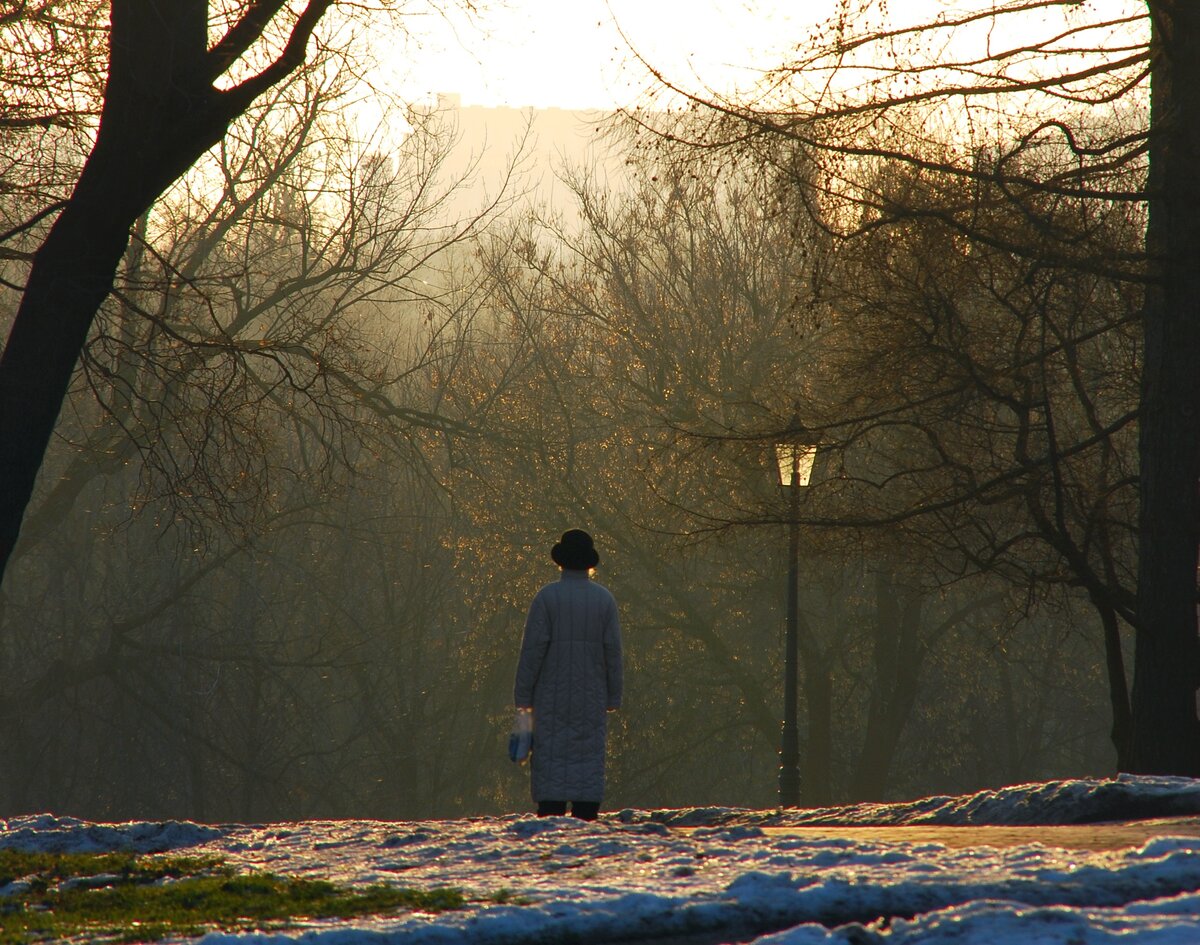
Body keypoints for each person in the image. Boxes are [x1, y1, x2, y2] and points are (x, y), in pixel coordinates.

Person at [513, 528, 623, 821]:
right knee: (587, 754)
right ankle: (586, 811)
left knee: (551, 755)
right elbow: (613, 652)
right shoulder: (604, 600)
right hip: (592, 695)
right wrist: (613, 695)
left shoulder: (547, 598)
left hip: (551, 695)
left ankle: (551, 812)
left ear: (560, 561)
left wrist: (523, 695)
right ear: (589, 563)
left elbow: (532, 651)